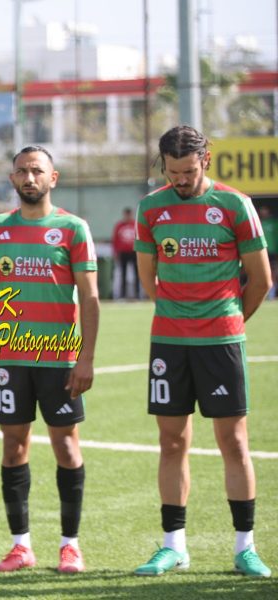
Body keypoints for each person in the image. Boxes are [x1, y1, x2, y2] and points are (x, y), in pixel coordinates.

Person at [132, 125, 273, 578]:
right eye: (173, 173)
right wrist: (178, 316)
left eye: (188, 172)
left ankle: (245, 548)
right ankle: (173, 546)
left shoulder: (235, 205)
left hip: (221, 342)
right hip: (169, 342)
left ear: (205, 160)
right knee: (171, 441)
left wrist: (227, 321)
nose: (180, 180)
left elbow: (261, 280)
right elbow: (148, 278)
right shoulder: (151, 208)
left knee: (234, 442)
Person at [0, 146, 99, 574]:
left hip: (59, 359)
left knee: (66, 446)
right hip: (10, 358)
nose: (29, 178)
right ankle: (20, 546)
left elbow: (90, 298)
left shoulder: (72, 228)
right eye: (22, 171)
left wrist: (85, 358)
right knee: (13, 447)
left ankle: (70, 545)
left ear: (52, 178)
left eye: (37, 171)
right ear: (12, 179)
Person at [112, 207, 139, 299]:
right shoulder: (119, 225)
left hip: (134, 252)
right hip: (123, 252)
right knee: (123, 274)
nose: (127, 216)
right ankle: (122, 295)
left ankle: (137, 294)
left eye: (129, 214)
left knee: (137, 274)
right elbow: (115, 240)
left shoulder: (135, 225)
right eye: (126, 214)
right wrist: (115, 252)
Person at [260, 205, 276, 300]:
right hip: (262, 251)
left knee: (273, 272)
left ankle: (272, 294)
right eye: (262, 210)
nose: (263, 212)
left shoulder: (274, 223)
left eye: (265, 210)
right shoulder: (259, 222)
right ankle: (264, 294)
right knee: (262, 272)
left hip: (272, 252)